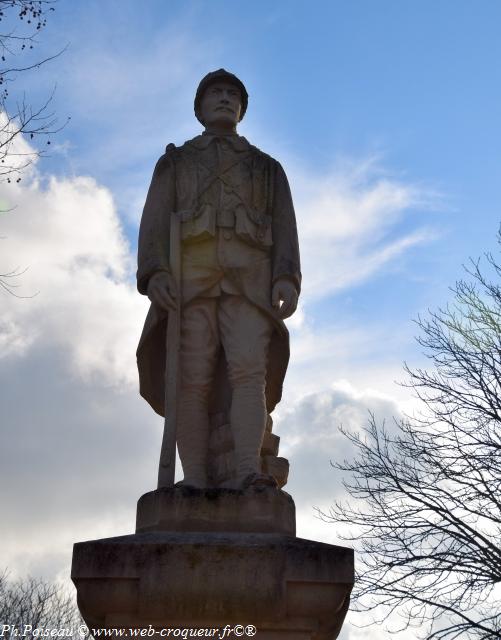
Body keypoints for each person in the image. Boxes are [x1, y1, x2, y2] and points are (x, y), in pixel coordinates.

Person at [137, 69, 301, 490]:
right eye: (216, 94)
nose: (225, 99)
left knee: (250, 375)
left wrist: (287, 277)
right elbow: (154, 220)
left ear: (243, 108)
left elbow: (284, 225)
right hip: (191, 282)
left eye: (233, 94)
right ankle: (194, 479)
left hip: (250, 279)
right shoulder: (176, 162)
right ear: (200, 107)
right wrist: (155, 271)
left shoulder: (267, 168)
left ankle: (248, 471)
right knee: (191, 379)